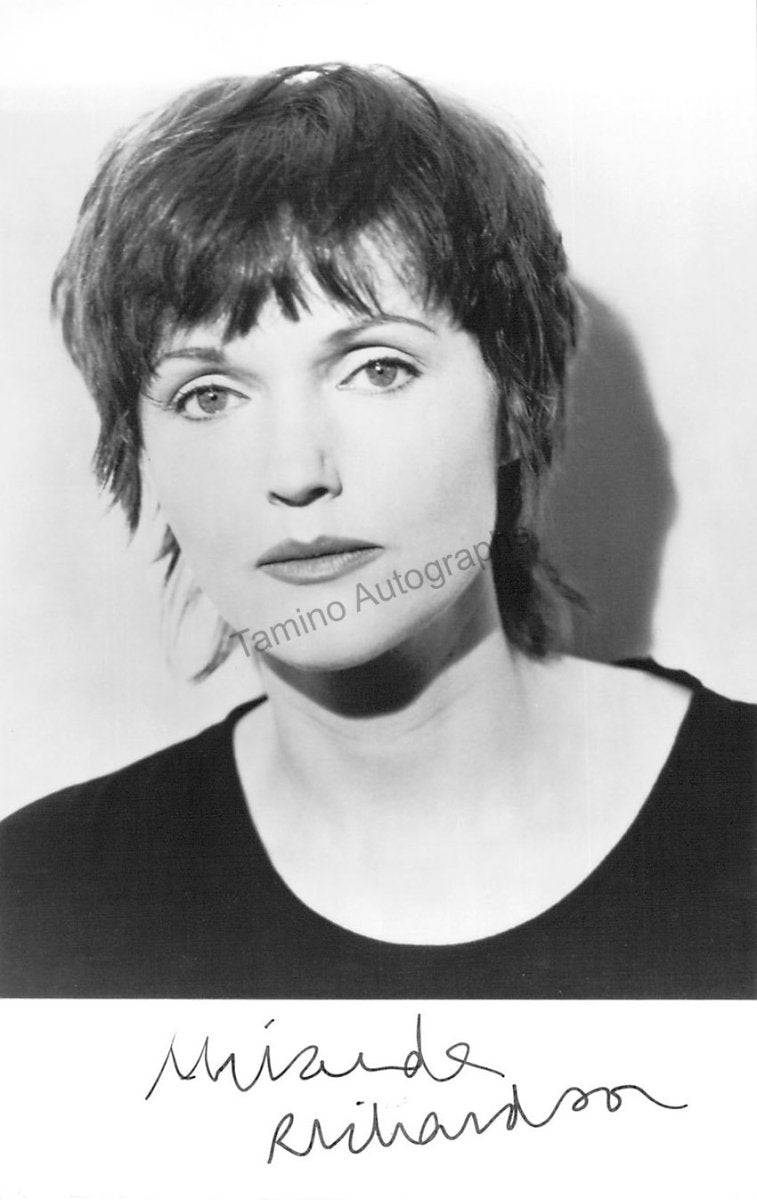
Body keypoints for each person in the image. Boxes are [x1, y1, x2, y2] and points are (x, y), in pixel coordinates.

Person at [1, 63, 753, 999]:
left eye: (377, 369)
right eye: (209, 395)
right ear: (141, 451)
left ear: (516, 401)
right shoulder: (42, 898)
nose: (295, 471)